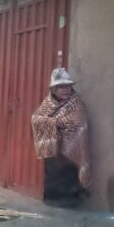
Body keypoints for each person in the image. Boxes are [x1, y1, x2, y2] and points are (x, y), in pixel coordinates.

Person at [31, 68, 90, 207]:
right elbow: (36, 118)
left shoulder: (77, 104)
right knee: (53, 174)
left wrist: (55, 123)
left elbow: (78, 123)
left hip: (71, 150)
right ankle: (52, 201)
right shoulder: (47, 103)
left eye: (67, 86)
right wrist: (54, 124)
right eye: (61, 87)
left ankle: (70, 203)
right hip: (52, 150)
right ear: (53, 89)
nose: (65, 90)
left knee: (69, 175)